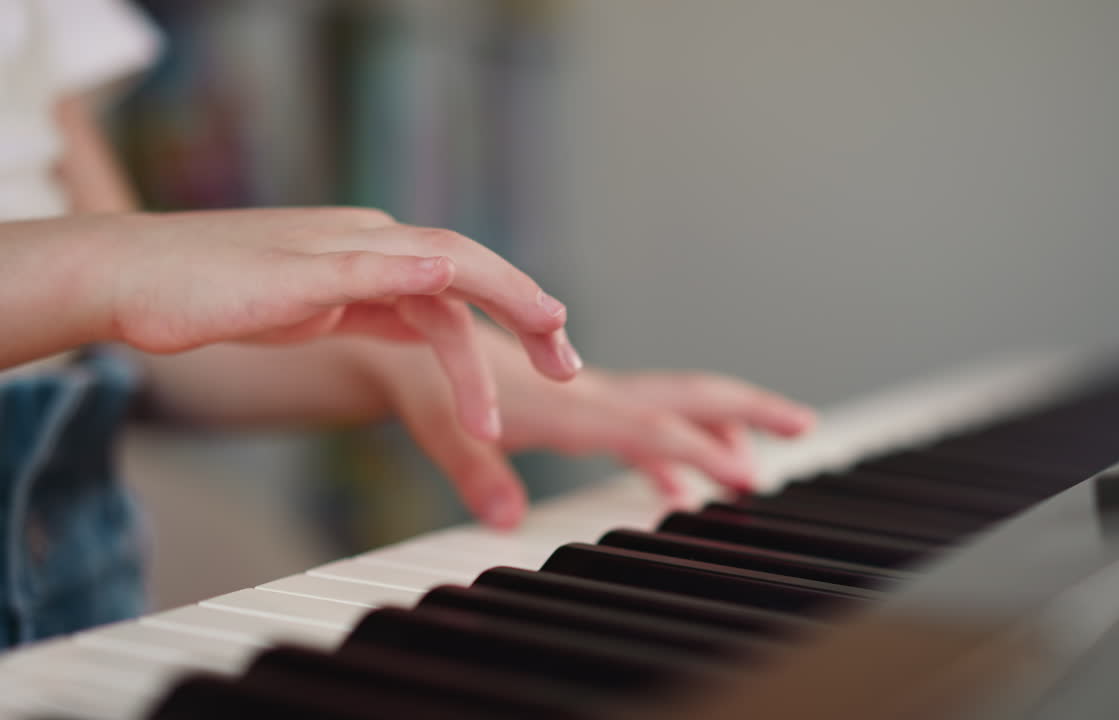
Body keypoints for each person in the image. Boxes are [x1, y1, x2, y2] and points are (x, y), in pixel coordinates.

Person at [0, 0, 816, 649]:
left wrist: (396, 363)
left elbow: (136, 330)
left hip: (69, 557)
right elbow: (114, 278)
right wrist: (103, 266)